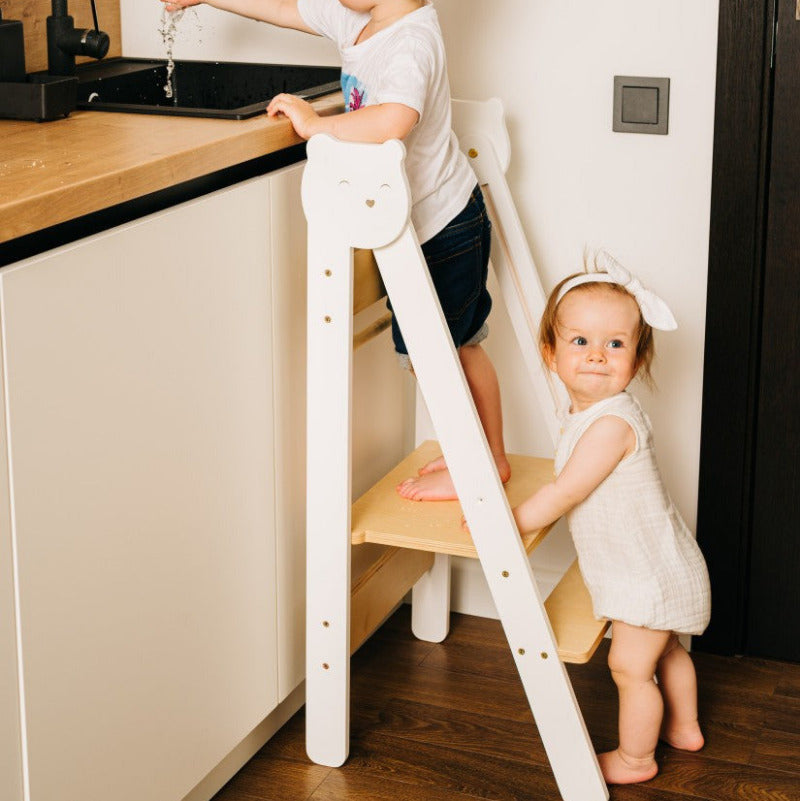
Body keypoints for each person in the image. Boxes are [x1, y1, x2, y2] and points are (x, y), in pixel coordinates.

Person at [160, 0, 510, 501]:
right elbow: (281, 8)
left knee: (440, 355)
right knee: (455, 348)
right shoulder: (362, 20)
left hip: (443, 228)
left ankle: (478, 463)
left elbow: (392, 120)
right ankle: (483, 455)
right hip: (439, 219)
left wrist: (316, 126)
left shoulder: (411, 41)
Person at [511, 252, 711, 785]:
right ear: (550, 353)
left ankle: (636, 759)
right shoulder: (586, 415)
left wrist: (512, 520)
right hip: (654, 564)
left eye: (615, 344)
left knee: (629, 668)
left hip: (645, 576)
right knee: (667, 649)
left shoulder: (611, 424)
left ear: (636, 359)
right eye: (581, 342)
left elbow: (565, 491)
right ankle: (685, 726)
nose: (597, 356)